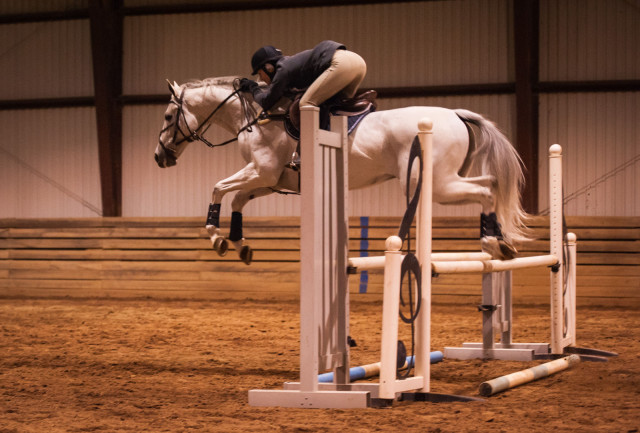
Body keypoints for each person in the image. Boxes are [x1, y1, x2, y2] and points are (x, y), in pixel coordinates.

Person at [239, 40, 367, 111]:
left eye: (261, 74)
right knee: (336, 106)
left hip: (340, 63)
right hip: (358, 62)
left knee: (306, 104)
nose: (261, 79)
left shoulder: (282, 70)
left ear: (268, 68)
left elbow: (267, 102)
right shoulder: (290, 66)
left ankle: (306, 150)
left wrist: (253, 87)